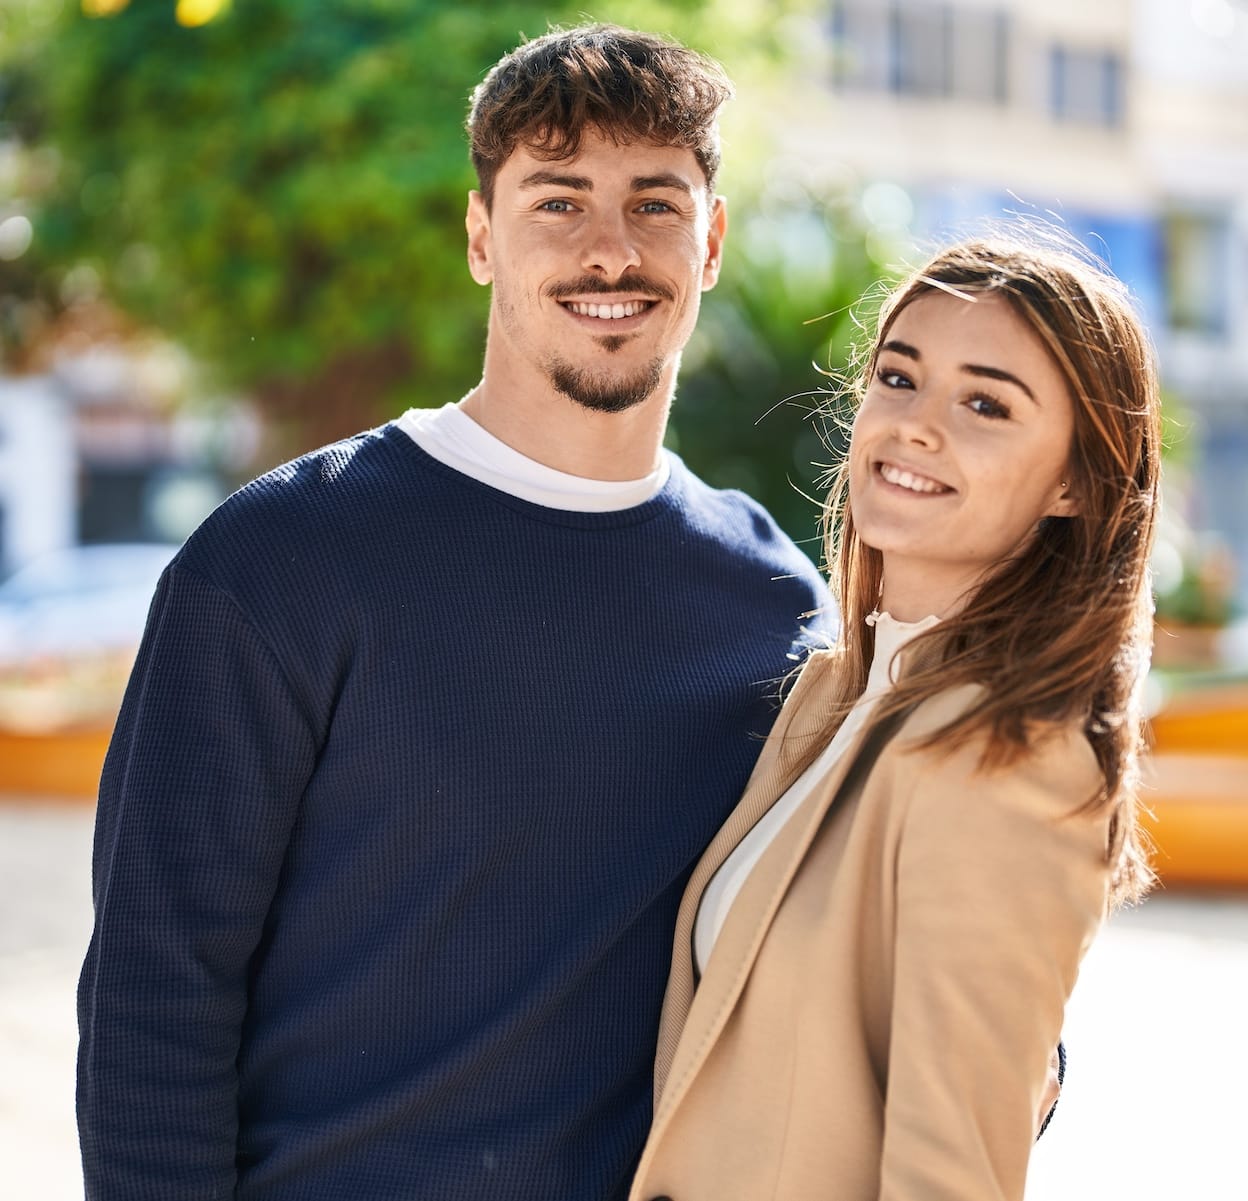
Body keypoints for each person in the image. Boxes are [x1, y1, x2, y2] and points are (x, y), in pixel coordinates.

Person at [75, 25, 834, 1201]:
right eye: (558, 202)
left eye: (654, 203)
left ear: (713, 241)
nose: (610, 248)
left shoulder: (777, 605)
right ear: (482, 237)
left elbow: (852, 930)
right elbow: (154, 995)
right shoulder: (281, 559)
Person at [629, 234, 1162, 1201]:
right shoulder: (834, 692)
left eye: (986, 404)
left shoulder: (1008, 757)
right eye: (899, 377)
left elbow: (952, 1173)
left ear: (1076, 483)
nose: (916, 425)